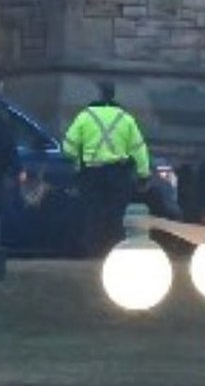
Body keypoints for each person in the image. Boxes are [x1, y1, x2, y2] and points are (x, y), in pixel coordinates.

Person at [63, 80, 151, 256]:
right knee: (117, 214)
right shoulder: (126, 119)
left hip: (92, 173)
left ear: (98, 94)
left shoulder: (85, 117)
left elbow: (68, 148)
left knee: (92, 214)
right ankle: (114, 250)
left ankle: (93, 251)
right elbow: (139, 149)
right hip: (118, 173)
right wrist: (143, 175)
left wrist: (77, 163)